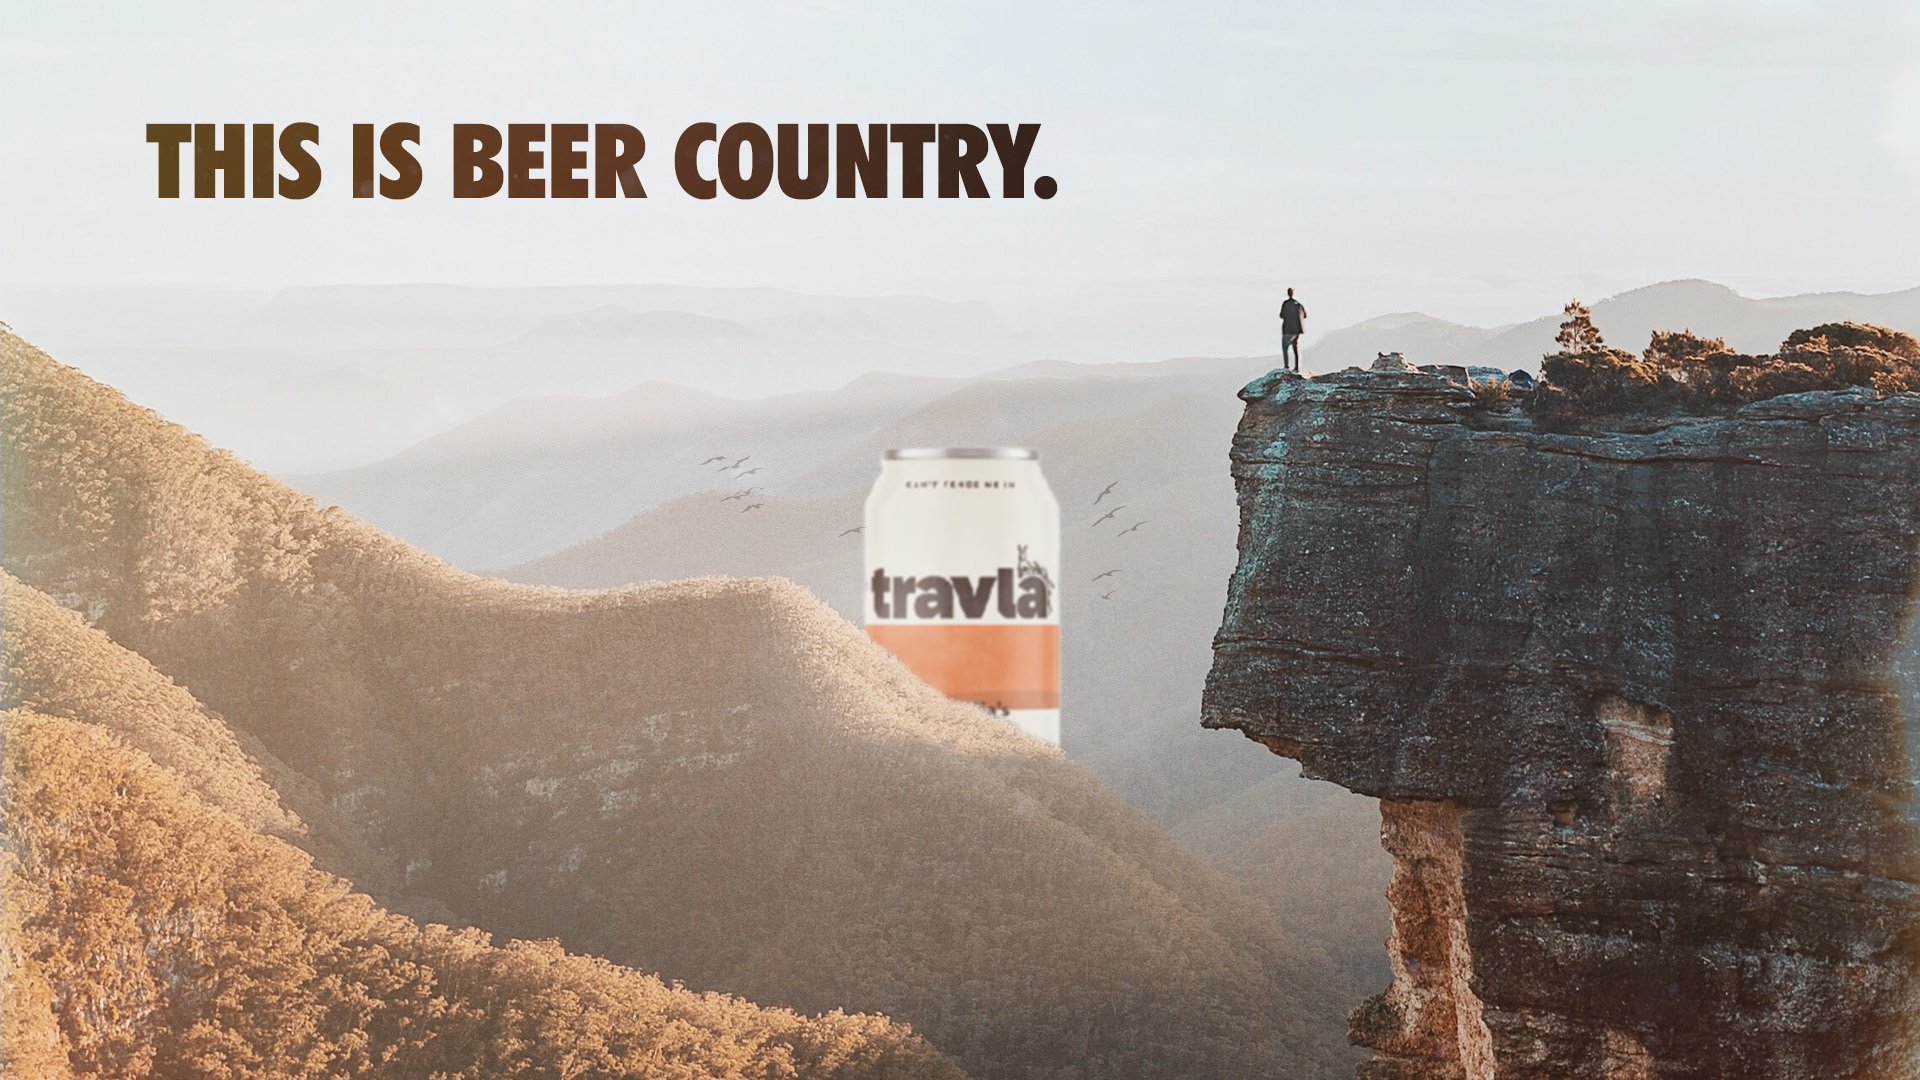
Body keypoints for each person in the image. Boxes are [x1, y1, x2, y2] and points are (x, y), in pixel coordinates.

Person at [1278, 288, 1307, 371]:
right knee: (1296, 348)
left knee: (1285, 347)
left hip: (1287, 329)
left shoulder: (1286, 304)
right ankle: (1297, 367)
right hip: (1297, 330)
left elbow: (1282, 315)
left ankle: (1286, 366)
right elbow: (1305, 315)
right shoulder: (1299, 305)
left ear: (1288, 293)